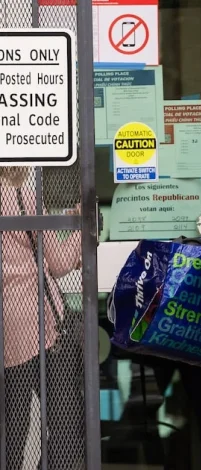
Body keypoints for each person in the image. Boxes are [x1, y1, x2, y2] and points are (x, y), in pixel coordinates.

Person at [0, 166, 83, 469]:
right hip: (41, 326)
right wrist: (80, 225)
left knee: (13, 429)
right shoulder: (23, 193)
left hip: (8, 330)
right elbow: (59, 264)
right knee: (65, 425)